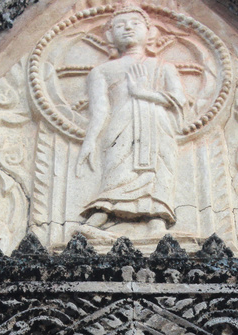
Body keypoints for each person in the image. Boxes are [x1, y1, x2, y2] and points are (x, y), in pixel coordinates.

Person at [76, 2, 187, 235]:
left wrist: (142, 93)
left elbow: (179, 99)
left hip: (158, 125)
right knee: (117, 166)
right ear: (109, 34)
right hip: (120, 125)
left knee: (158, 170)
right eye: (120, 25)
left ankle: (156, 218)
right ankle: (103, 212)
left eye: (135, 24)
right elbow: (100, 111)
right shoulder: (102, 71)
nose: (128, 28)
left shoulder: (163, 66)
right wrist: (90, 140)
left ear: (150, 32)